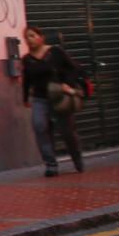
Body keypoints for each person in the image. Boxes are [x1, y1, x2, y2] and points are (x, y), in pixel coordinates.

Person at [21, 26, 86, 177]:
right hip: (40, 98)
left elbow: (73, 68)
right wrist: (25, 98)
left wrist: (67, 84)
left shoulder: (55, 52)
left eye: (32, 36)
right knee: (40, 127)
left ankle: (77, 159)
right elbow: (27, 80)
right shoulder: (27, 59)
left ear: (41, 37)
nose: (29, 40)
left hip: (59, 97)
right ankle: (51, 165)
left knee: (67, 131)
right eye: (26, 37)